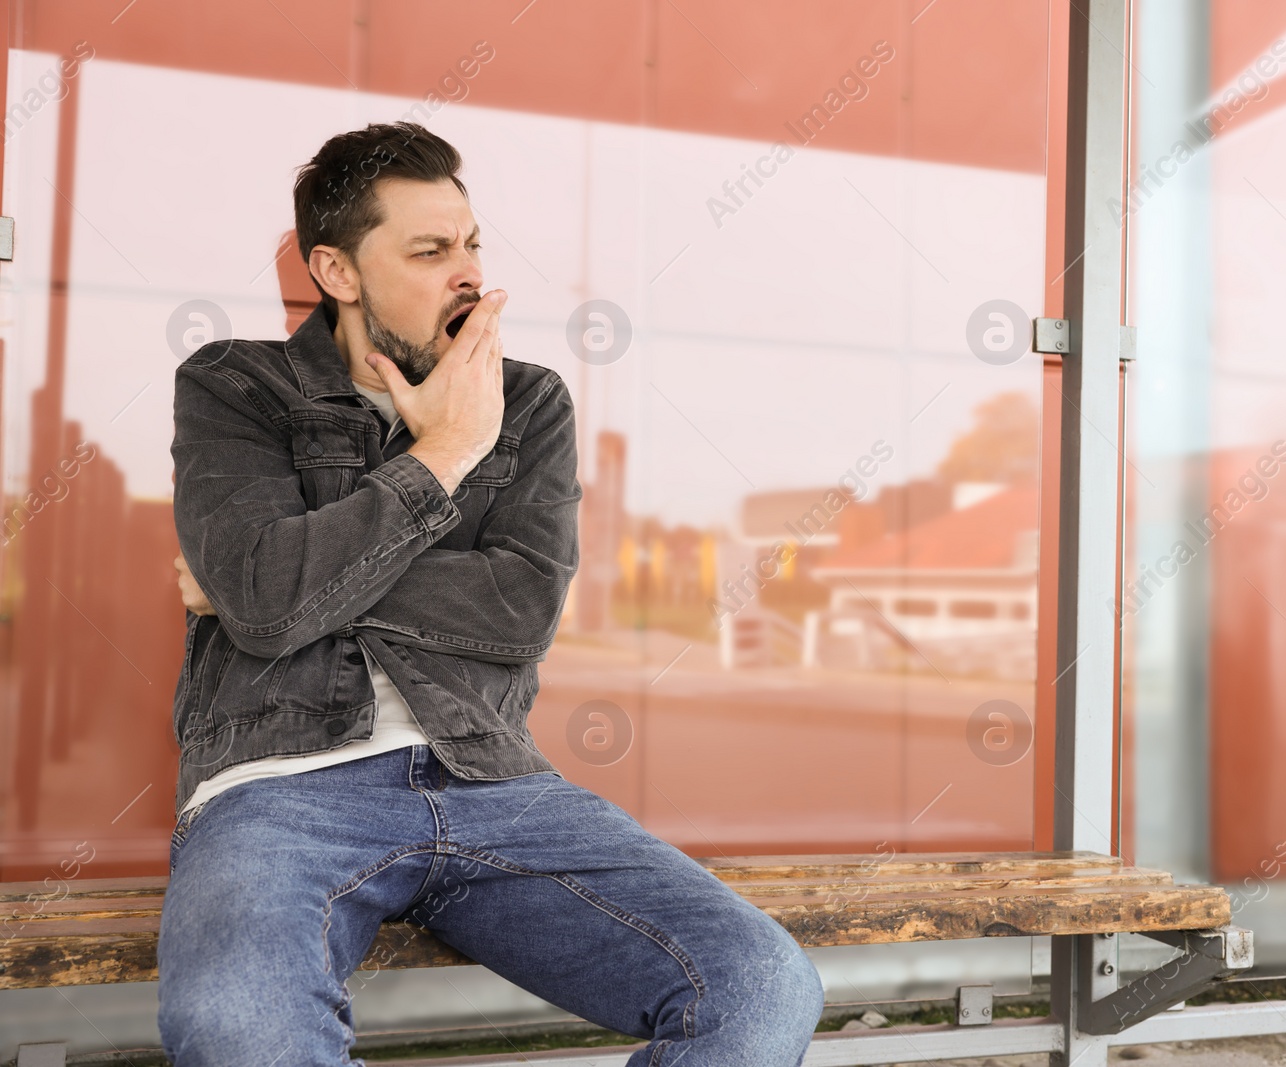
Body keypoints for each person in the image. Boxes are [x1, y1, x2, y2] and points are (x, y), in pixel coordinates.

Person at [158, 121, 824, 1066]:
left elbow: (516, 609)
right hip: (280, 791)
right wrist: (445, 457)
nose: (467, 271)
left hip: (490, 781)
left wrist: (282, 582)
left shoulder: (532, 400)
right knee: (239, 1029)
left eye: (471, 244)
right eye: (430, 251)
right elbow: (270, 597)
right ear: (338, 272)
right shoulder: (237, 385)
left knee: (758, 986)